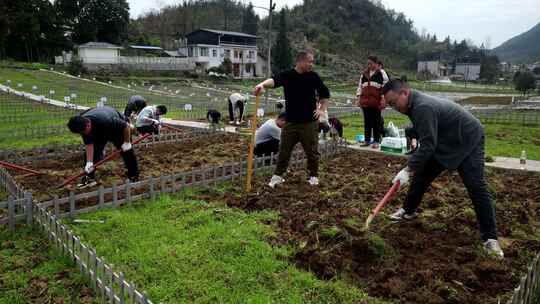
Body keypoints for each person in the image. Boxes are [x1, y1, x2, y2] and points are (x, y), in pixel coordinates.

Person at [381, 79, 504, 258]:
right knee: (422, 175)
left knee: (476, 187)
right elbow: (428, 134)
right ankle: (408, 211)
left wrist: (407, 169)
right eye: (390, 105)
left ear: (405, 93)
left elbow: (428, 146)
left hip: (468, 138)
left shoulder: (422, 107)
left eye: (393, 102)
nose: (394, 107)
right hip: (446, 140)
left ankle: (491, 239)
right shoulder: (411, 105)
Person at [255, 51, 330, 188]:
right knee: (284, 150)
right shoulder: (288, 75)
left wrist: (321, 109)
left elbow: (325, 94)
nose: (312, 64)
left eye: (312, 61)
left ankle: (313, 176)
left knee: (312, 151)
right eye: (310, 61)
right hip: (291, 123)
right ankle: (277, 176)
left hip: (308, 122)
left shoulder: (313, 77)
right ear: (300, 61)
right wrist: (262, 85)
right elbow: (274, 80)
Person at [67, 106, 139, 188]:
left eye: (83, 132)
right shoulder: (81, 124)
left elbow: (125, 126)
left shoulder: (106, 120)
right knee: (90, 156)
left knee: (127, 152)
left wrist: (127, 142)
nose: (83, 134)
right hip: (99, 130)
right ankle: (89, 179)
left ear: (88, 125)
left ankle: (133, 176)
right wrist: (89, 162)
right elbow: (89, 144)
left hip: (117, 129)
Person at [356, 55, 388, 149]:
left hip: (376, 102)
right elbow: (360, 86)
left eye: (371, 63)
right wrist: (359, 98)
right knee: (367, 121)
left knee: (376, 122)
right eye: (368, 64)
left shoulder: (381, 73)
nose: (369, 65)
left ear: (376, 63)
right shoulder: (364, 74)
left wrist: (383, 99)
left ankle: (376, 141)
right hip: (365, 102)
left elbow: (385, 86)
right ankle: (367, 140)